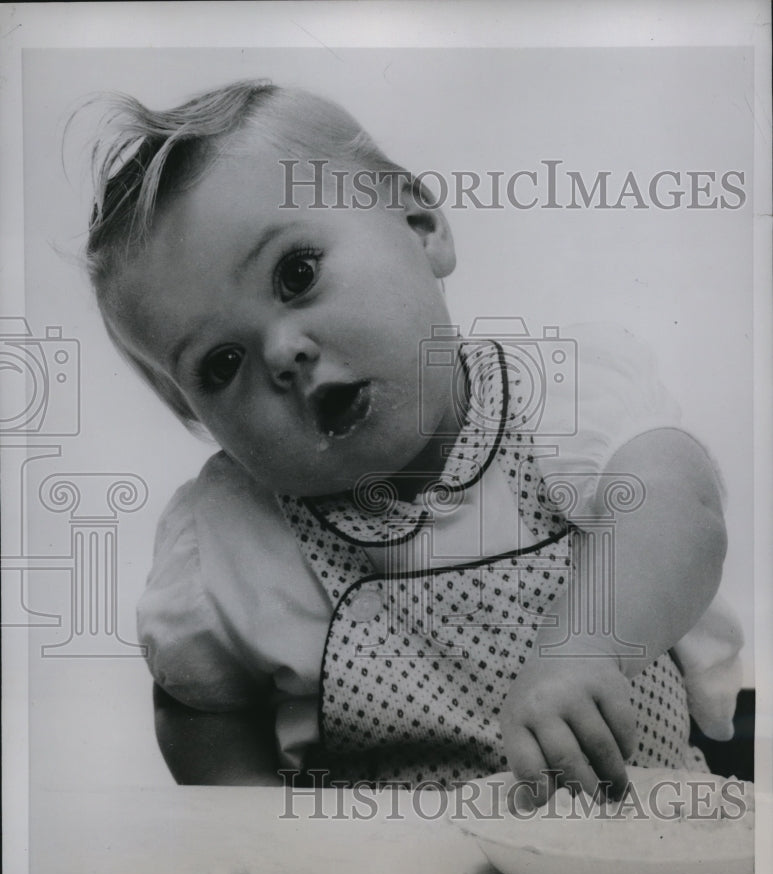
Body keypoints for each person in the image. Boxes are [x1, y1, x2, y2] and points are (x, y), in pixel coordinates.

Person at [84, 80, 743, 797]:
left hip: (636, 843)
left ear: (420, 226)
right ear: (193, 415)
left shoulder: (555, 395)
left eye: (296, 274)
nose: (280, 352)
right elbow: (199, 709)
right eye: (220, 364)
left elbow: (677, 506)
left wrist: (586, 647)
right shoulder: (229, 542)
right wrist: (265, 854)